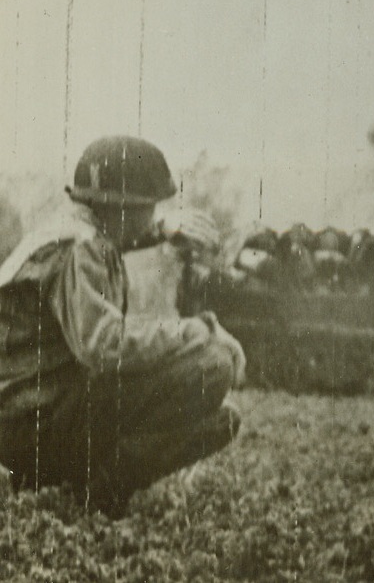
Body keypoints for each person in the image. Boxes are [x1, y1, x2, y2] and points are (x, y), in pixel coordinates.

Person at [0, 136, 246, 517]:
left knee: (221, 419)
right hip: (28, 420)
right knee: (212, 367)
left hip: (26, 413)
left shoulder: (70, 232)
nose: (153, 216)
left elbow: (119, 241)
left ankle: (65, 482)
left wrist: (161, 231)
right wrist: (198, 331)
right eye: (148, 207)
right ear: (121, 207)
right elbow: (104, 346)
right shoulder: (81, 249)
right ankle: (93, 493)